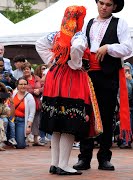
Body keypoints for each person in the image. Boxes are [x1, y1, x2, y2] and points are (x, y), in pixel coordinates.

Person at [73, 0, 132, 171]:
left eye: (108, 4)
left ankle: (104, 157)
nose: (104, 7)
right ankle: (84, 157)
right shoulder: (89, 23)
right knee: (86, 115)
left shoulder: (120, 23)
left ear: (114, 7)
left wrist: (108, 47)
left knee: (106, 117)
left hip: (108, 76)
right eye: (101, 3)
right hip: (88, 75)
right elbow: (81, 44)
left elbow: (127, 48)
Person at [36, 6, 95, 175]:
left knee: (57, 124)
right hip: (72, 81)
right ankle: (63, 164)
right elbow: (77, 48)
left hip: (55, 79)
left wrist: (53, 60)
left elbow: (39, 44)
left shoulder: (56, 34)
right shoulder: (79, 35)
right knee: (69, 123)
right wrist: (74, 63)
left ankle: (55, 163)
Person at [21, 62, 44, 146]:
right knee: (26, 119)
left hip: (37, 102)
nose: (26, 71)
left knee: (37, 121)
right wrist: (33, 91)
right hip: (26, 102)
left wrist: (39, 90)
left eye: (27, 69)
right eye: (24, 69)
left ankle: (36, 140)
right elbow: (21, 88)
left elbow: (44, 86)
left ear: (30, 69)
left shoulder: (37, 78)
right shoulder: (21, 79)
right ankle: (24, 139)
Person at [12, 77, 35, 149]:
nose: (23, 86)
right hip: (11, 120)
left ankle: (21, 139)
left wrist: (29, 127)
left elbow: (32, 113)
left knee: (20, 145)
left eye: (25, 84)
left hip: (21, 121)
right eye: (21, 84)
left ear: (27, 85)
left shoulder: (30, 97)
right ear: (17, 85)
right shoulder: (13, 94)